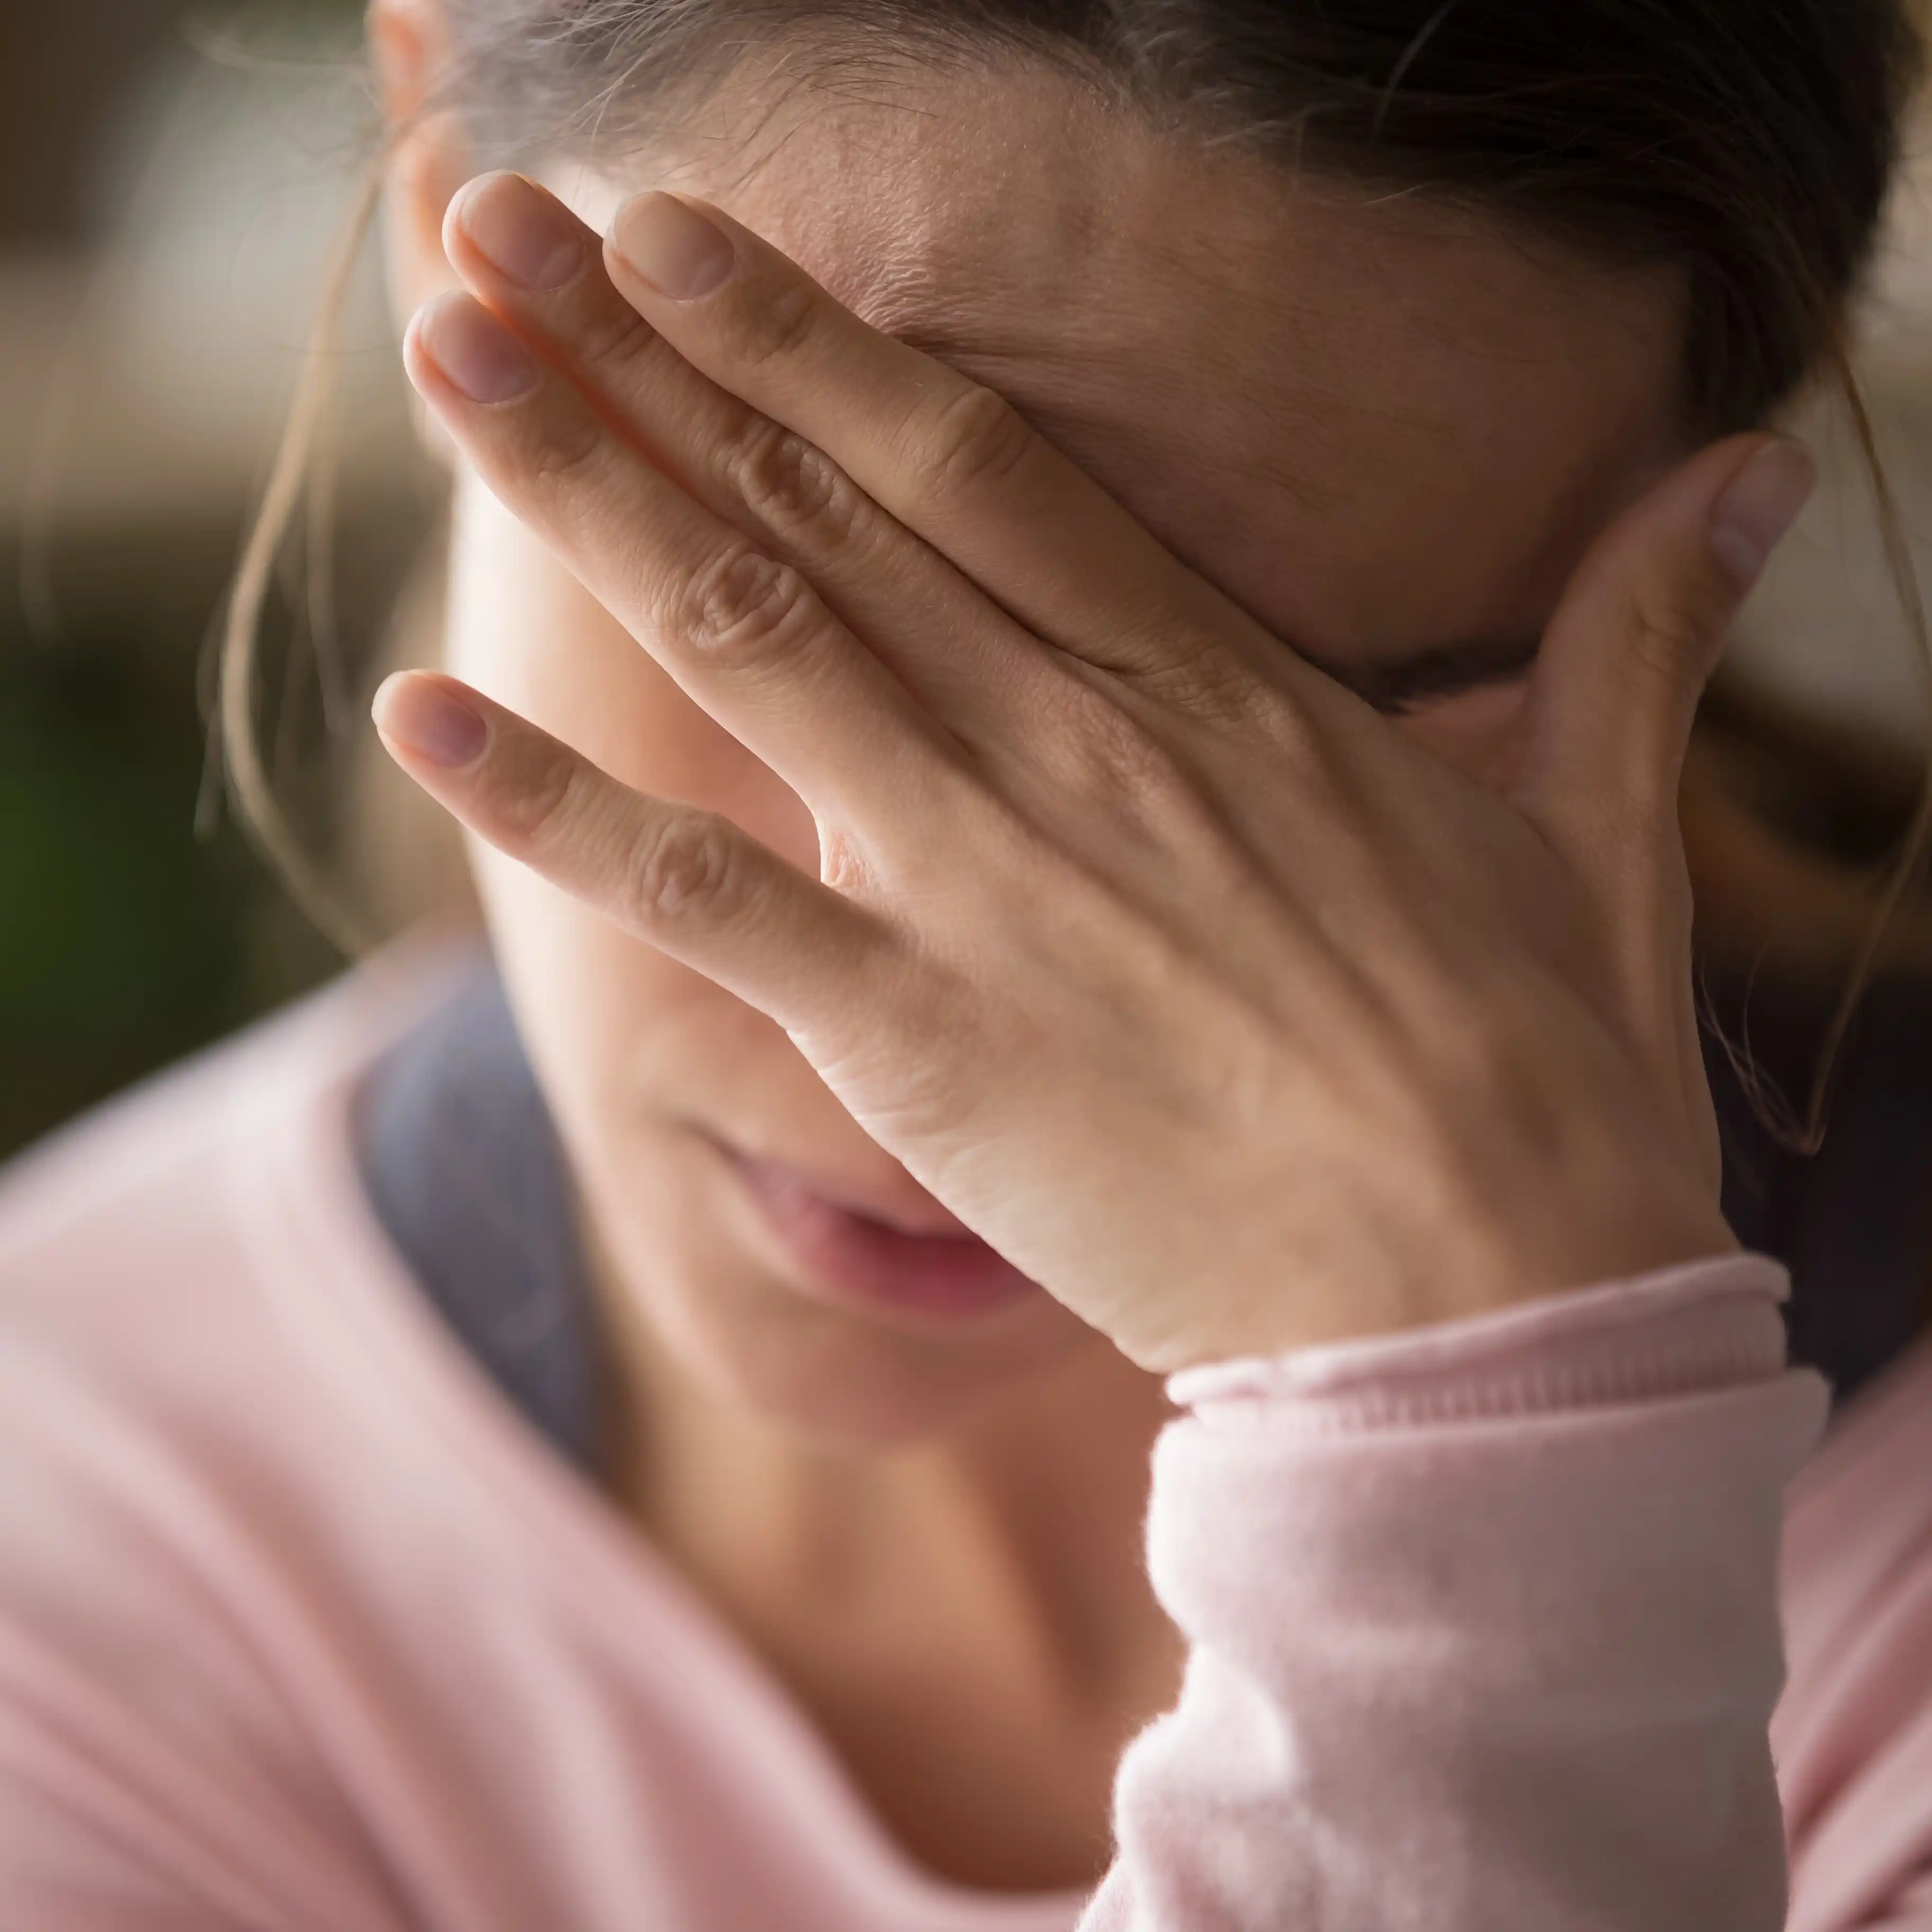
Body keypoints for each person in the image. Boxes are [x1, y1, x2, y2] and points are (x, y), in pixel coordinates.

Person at [4, 1, 1931, 1925]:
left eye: (1337, 760)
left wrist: (1482, 1463)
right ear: (444, 205)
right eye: (852, 612)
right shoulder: (74, 1516)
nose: (943, 1054)